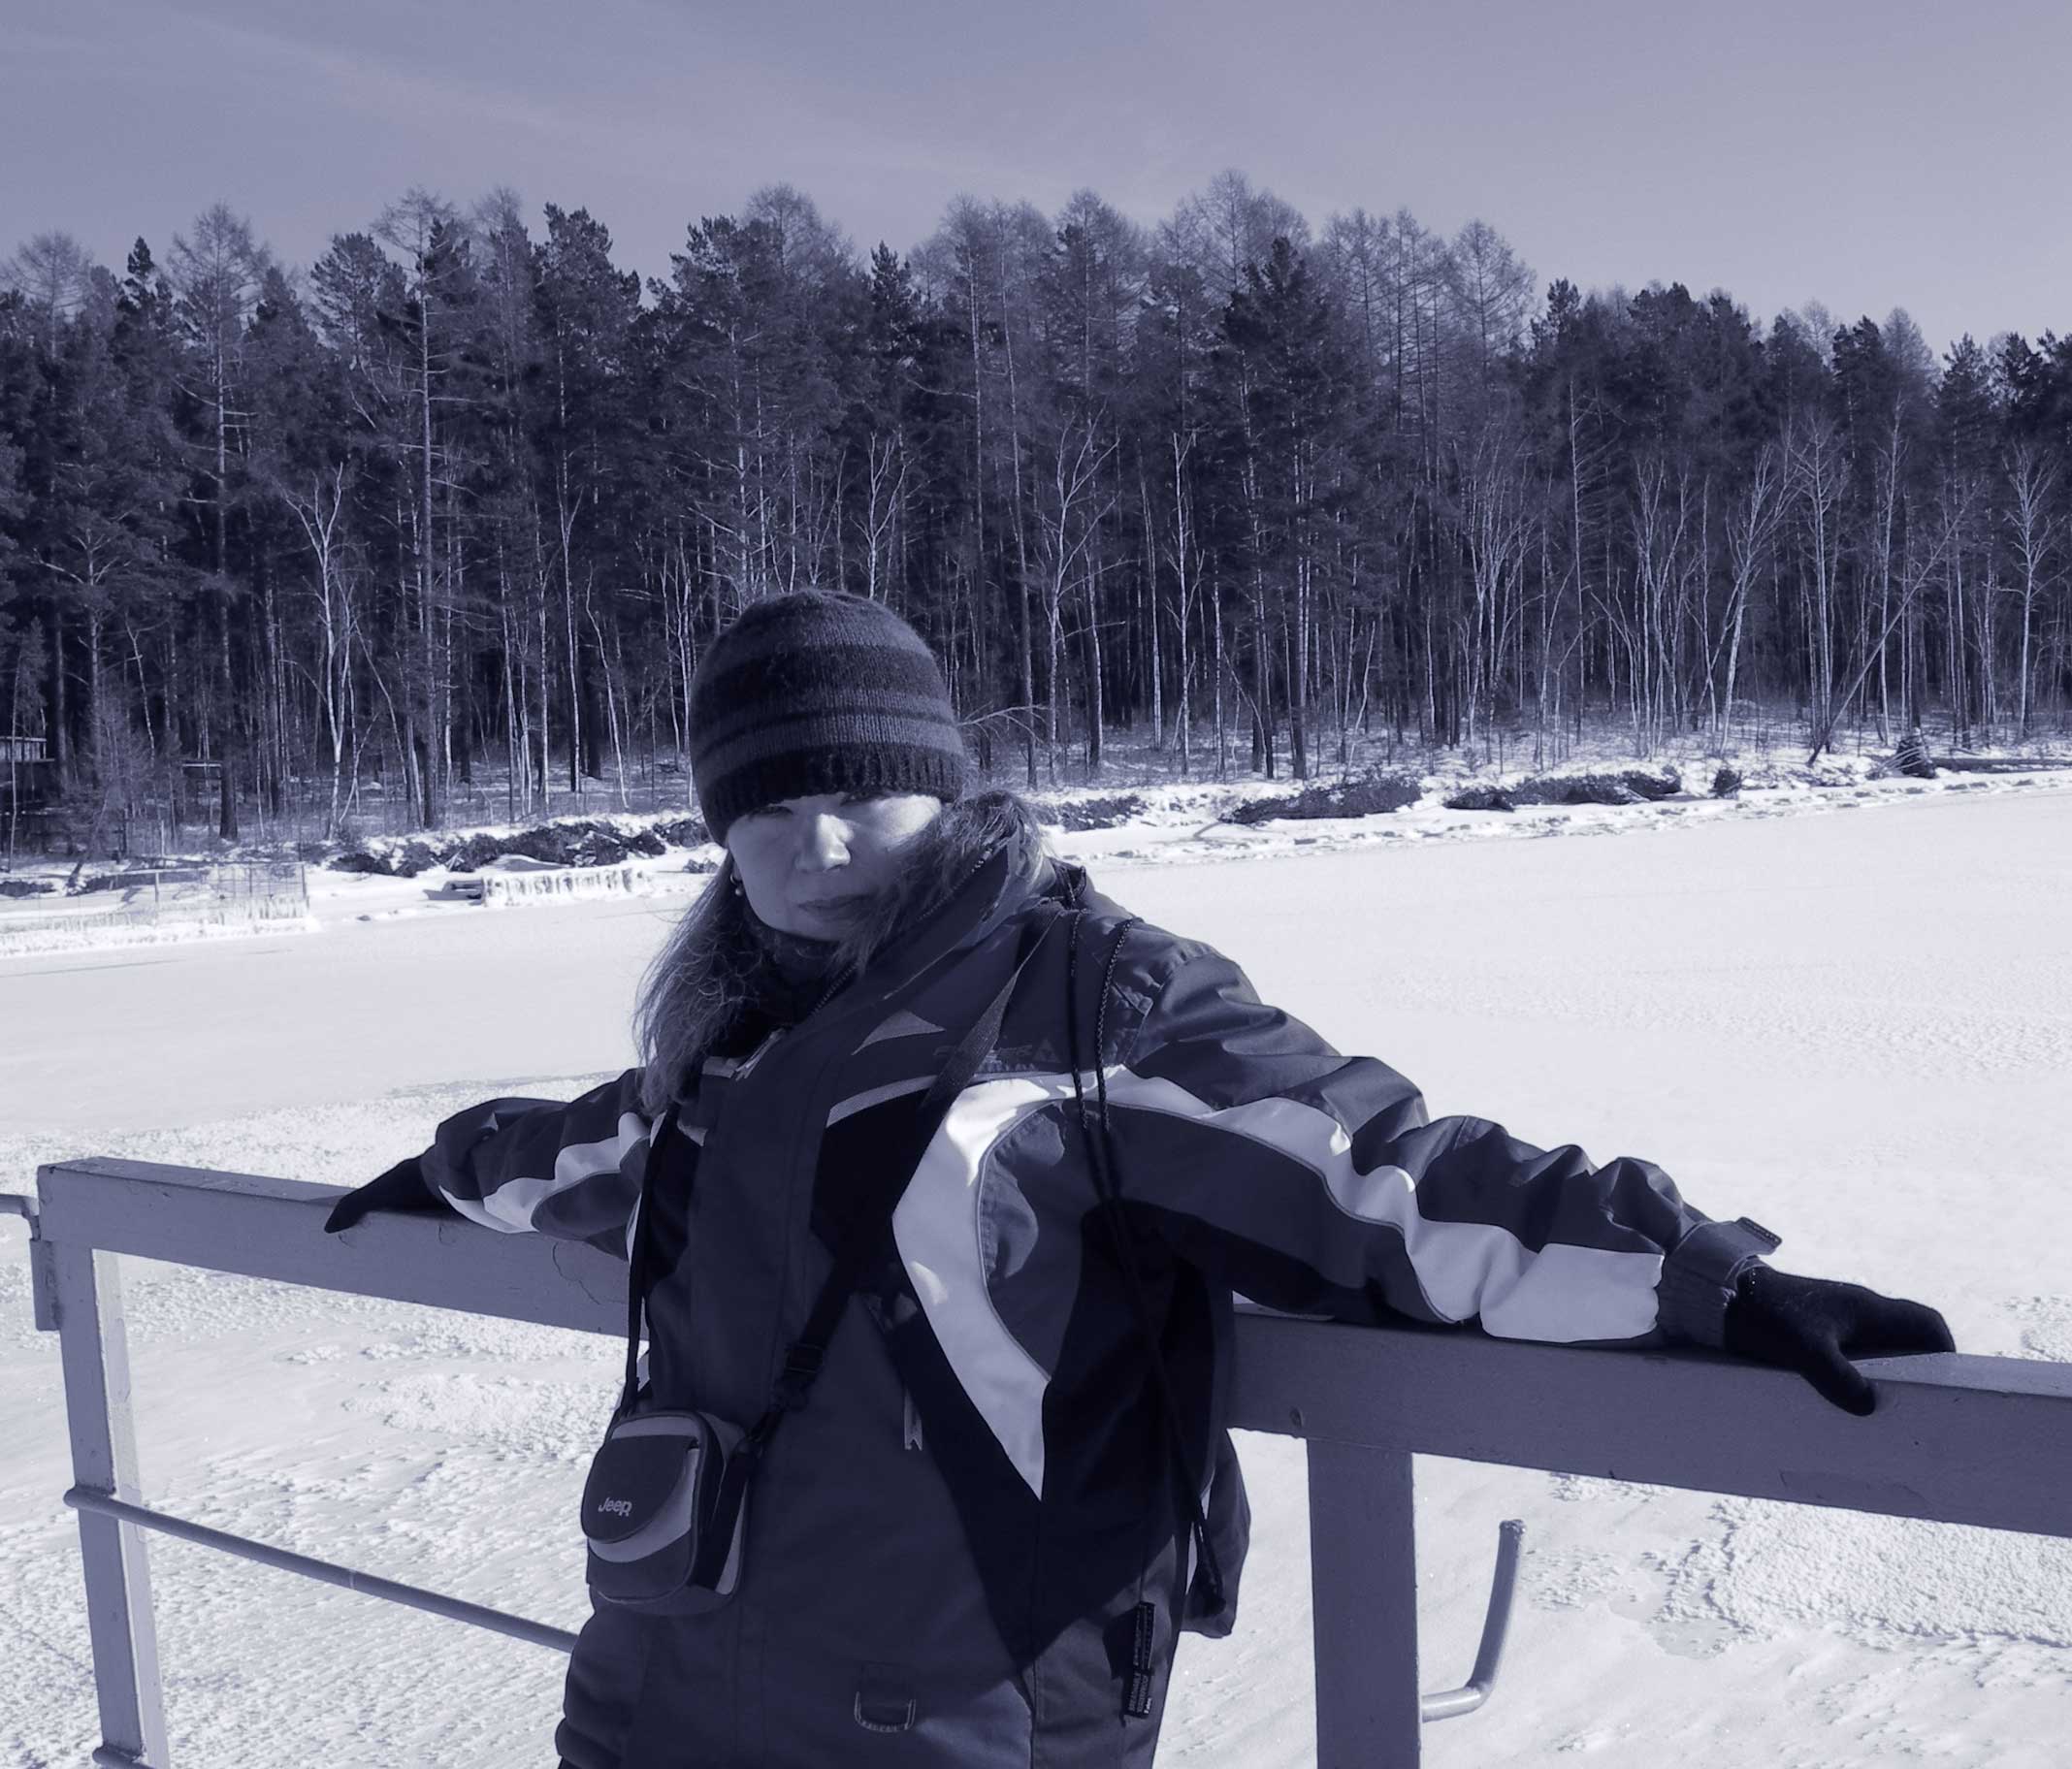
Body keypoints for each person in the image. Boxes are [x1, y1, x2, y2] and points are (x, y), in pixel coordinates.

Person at [326, 590, 1952, 1768]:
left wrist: (1697, 1277)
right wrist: (447, 1168)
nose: (818, 851)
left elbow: (1373, 1173)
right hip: (656, 1700)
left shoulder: (1092, 1009)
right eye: (769, 810)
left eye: (859, 795)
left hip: (954, 1720)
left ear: (944, 791)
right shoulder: (730, 1052)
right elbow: (593, 1154)